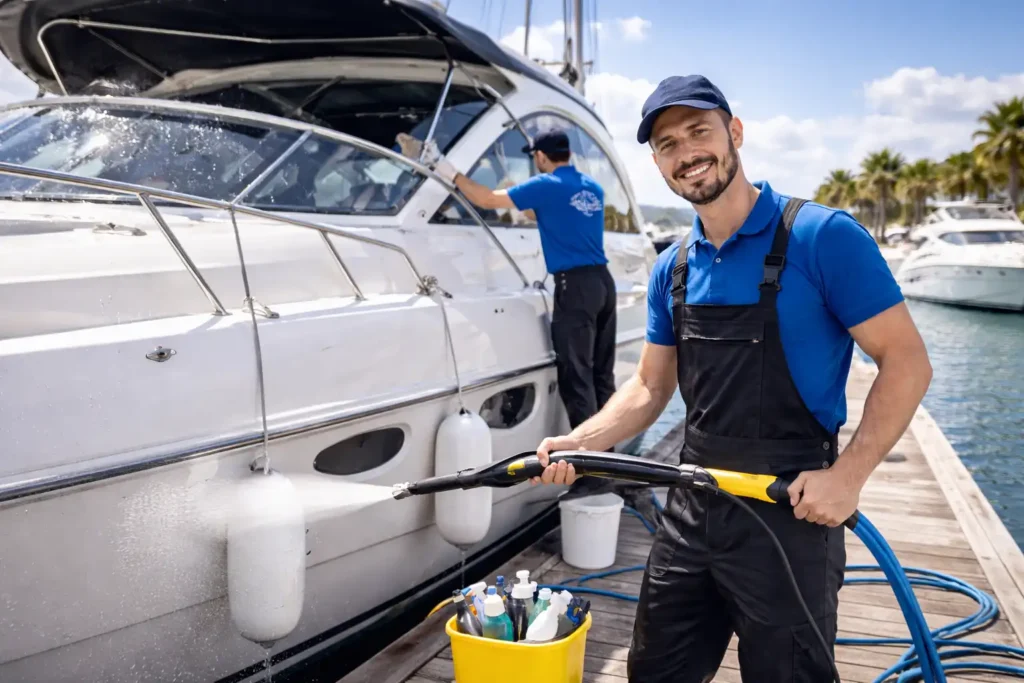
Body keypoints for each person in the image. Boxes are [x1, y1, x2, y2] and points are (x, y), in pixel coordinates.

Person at [528, 74, 934, 682]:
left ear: (734, 132)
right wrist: (581, 441)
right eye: (667, 144)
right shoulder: (673, 268)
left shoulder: (822, 238)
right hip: (693, 503)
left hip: (792, 511)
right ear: (658, 163)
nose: (686, 152)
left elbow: (907, 362)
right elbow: (648, 388)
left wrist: (847, 477)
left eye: (698, 131)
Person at [420, 130, 618, 432]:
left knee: (577, 379)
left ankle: (593, 475)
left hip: (575, 288)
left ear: (541, 156)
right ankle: (611, 463)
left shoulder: (546, 185)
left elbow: (484, 199)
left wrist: (444, 167)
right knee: (602, 377)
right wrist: (518, 196)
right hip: (604, 284)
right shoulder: (592, 188)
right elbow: (552, 214)